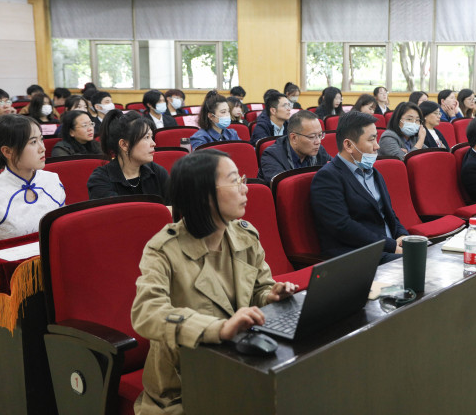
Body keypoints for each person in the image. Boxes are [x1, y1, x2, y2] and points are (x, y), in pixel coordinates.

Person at [131, 149, 297, 415]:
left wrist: (271, 295)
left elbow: (259, 288)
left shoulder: (245, 236)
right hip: (185, 389)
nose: (245, 188)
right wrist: (218, 329)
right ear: (204, 195)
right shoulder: (164, 249)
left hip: (239, 369)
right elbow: (146, 313)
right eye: (234, 181)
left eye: (242, 179)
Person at [310, 111, 408, 264]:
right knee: (416, 261)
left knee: (430, 253)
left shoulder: (373, 172)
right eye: (371, 139)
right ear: (349, 145)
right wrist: (391, 246)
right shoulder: (328, 178)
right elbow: (343, 227)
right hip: (358, 253)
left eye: (376, 138)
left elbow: (388, 213)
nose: (377, 146)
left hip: (388, 246)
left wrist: (401, 235)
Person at [0, 115, 65, 244]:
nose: (42, 148)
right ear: (7, 151)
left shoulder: (52, 180)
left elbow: (62, 234)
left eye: (41, 139)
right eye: (33, 142)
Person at [87, 110, 169, 200]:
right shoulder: (100, 179)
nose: (153, 143)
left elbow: (173, 204)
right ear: (124, 145)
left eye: (151, 137)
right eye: (146, 137)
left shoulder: (156, 171)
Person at [258, 110, 331, 182]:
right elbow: (283, 186)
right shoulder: (272, 156)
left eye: (320, 135)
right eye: (312, 137)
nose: (318, 141)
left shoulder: (319, 150)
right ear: (294, 138)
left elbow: (334, 169)